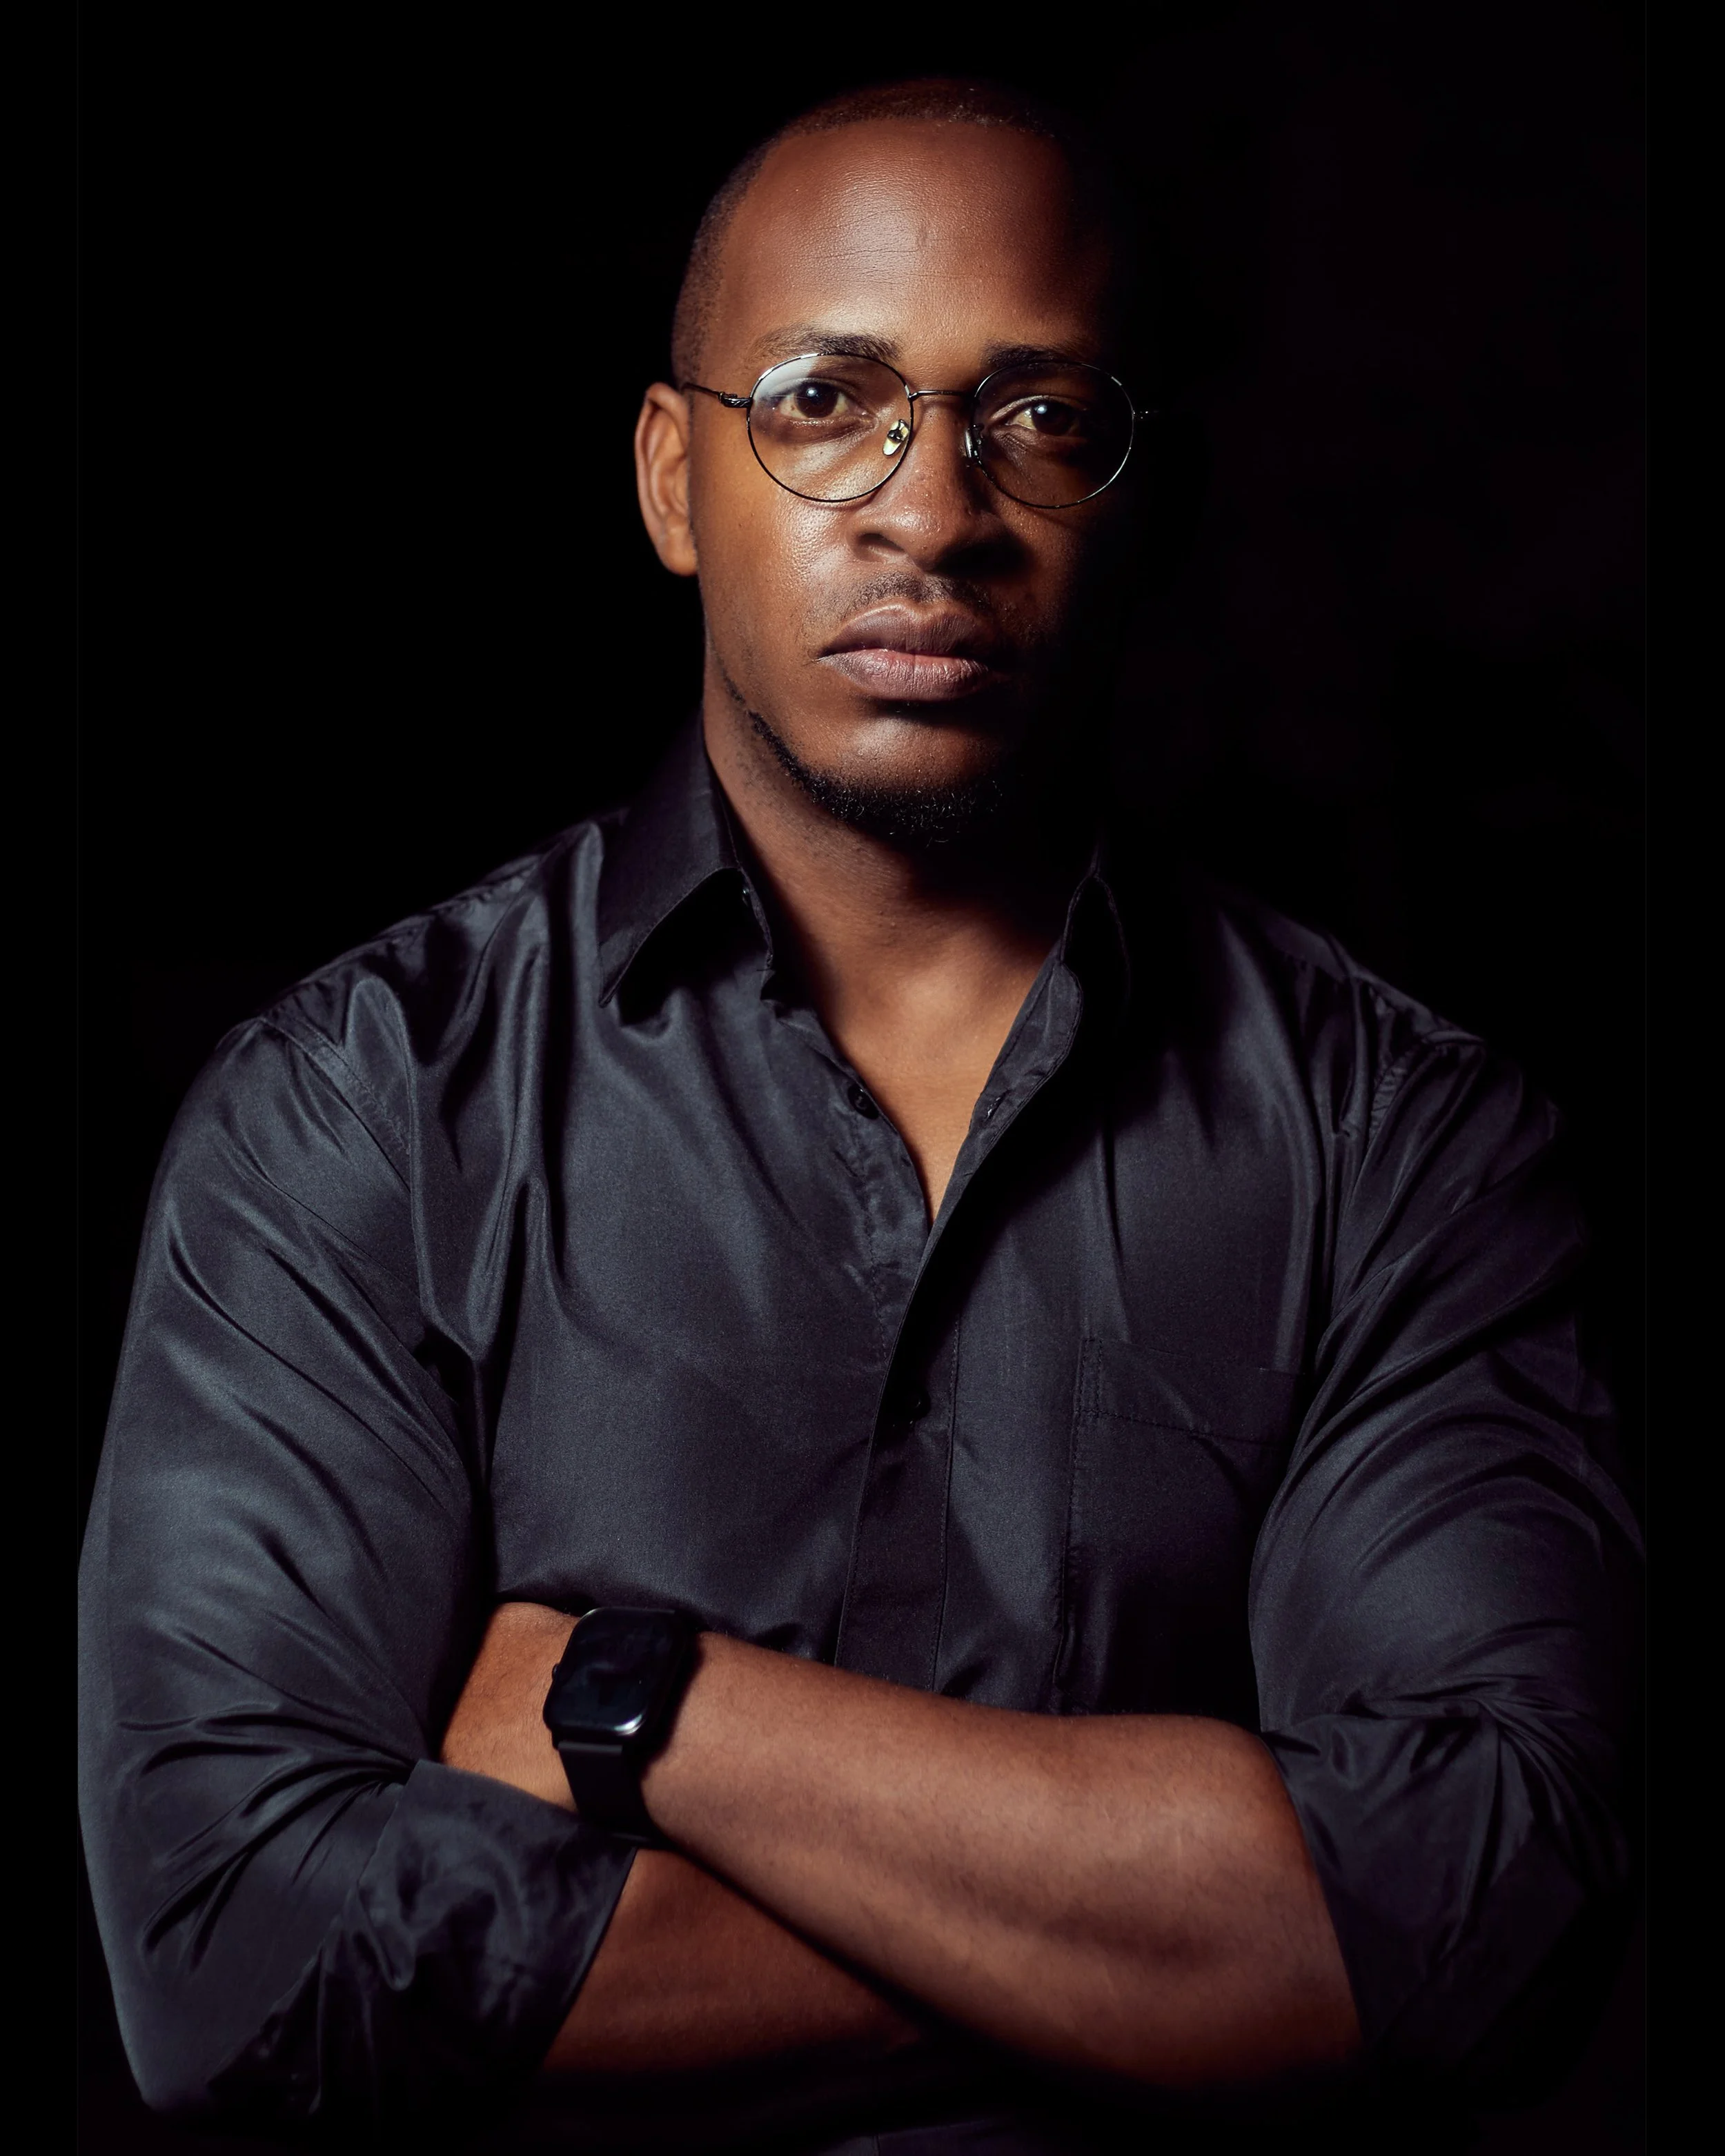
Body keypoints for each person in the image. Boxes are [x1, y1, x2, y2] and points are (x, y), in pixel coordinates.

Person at [79, 79, 1640, 2156]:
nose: (929, 512)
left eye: (1040, 417)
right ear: (672, 479)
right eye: (825, 403)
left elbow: (1488, 1915)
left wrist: (643, 1701)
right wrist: (1195, 1960)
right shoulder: (359, 1115)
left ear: (1147, 501)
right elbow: (242, 1963)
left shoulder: (1402, 1147)